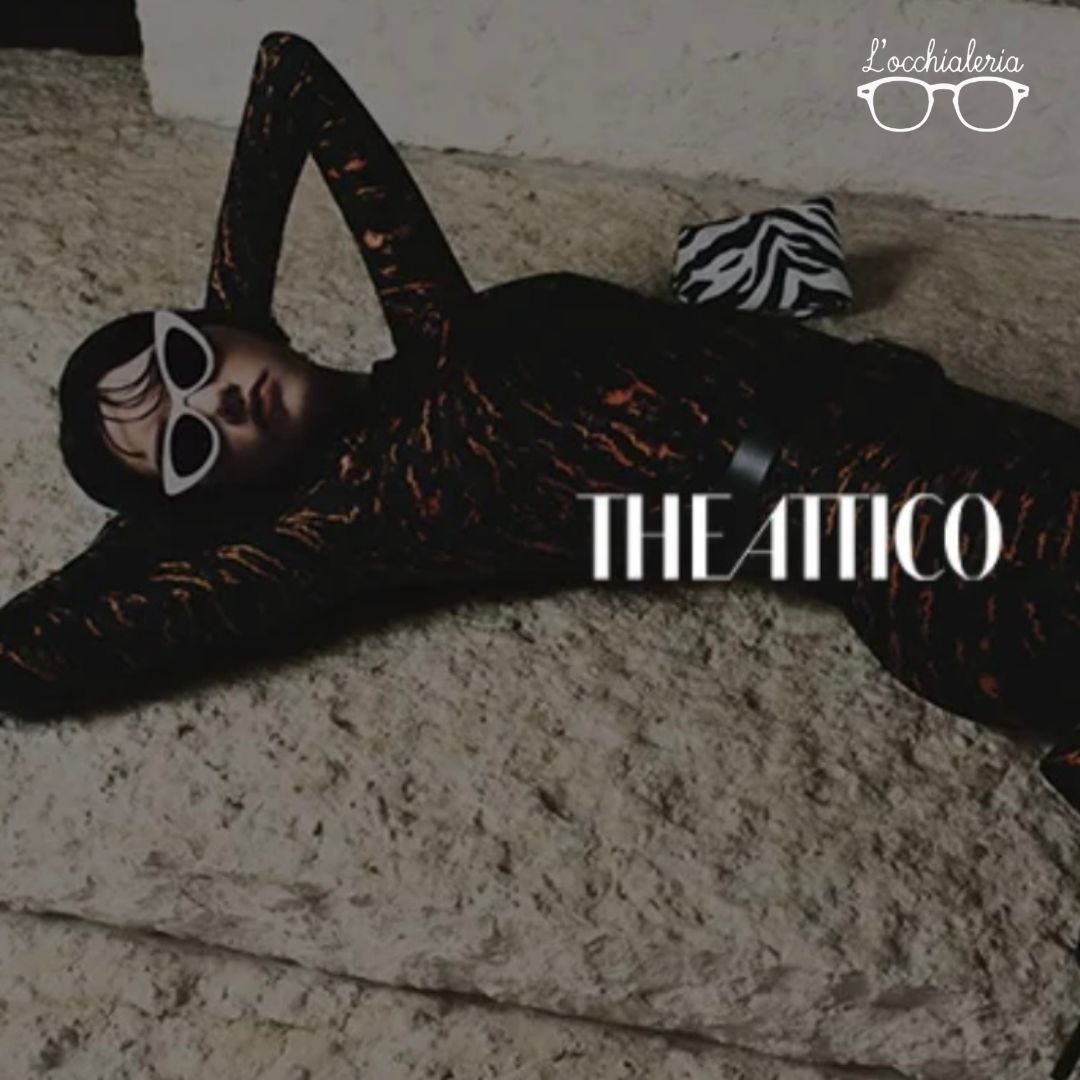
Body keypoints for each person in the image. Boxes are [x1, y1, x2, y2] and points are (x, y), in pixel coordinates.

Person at [2, 31, 1080, 818]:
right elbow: (28, 659)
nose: (223, 400)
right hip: (859, 521)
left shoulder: (426, 327)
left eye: (189, 363)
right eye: (192, 442)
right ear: (216, 499)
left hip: (898, 415)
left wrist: (234, 313)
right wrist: (180, 497)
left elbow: (290, 75)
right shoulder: (354, 511)